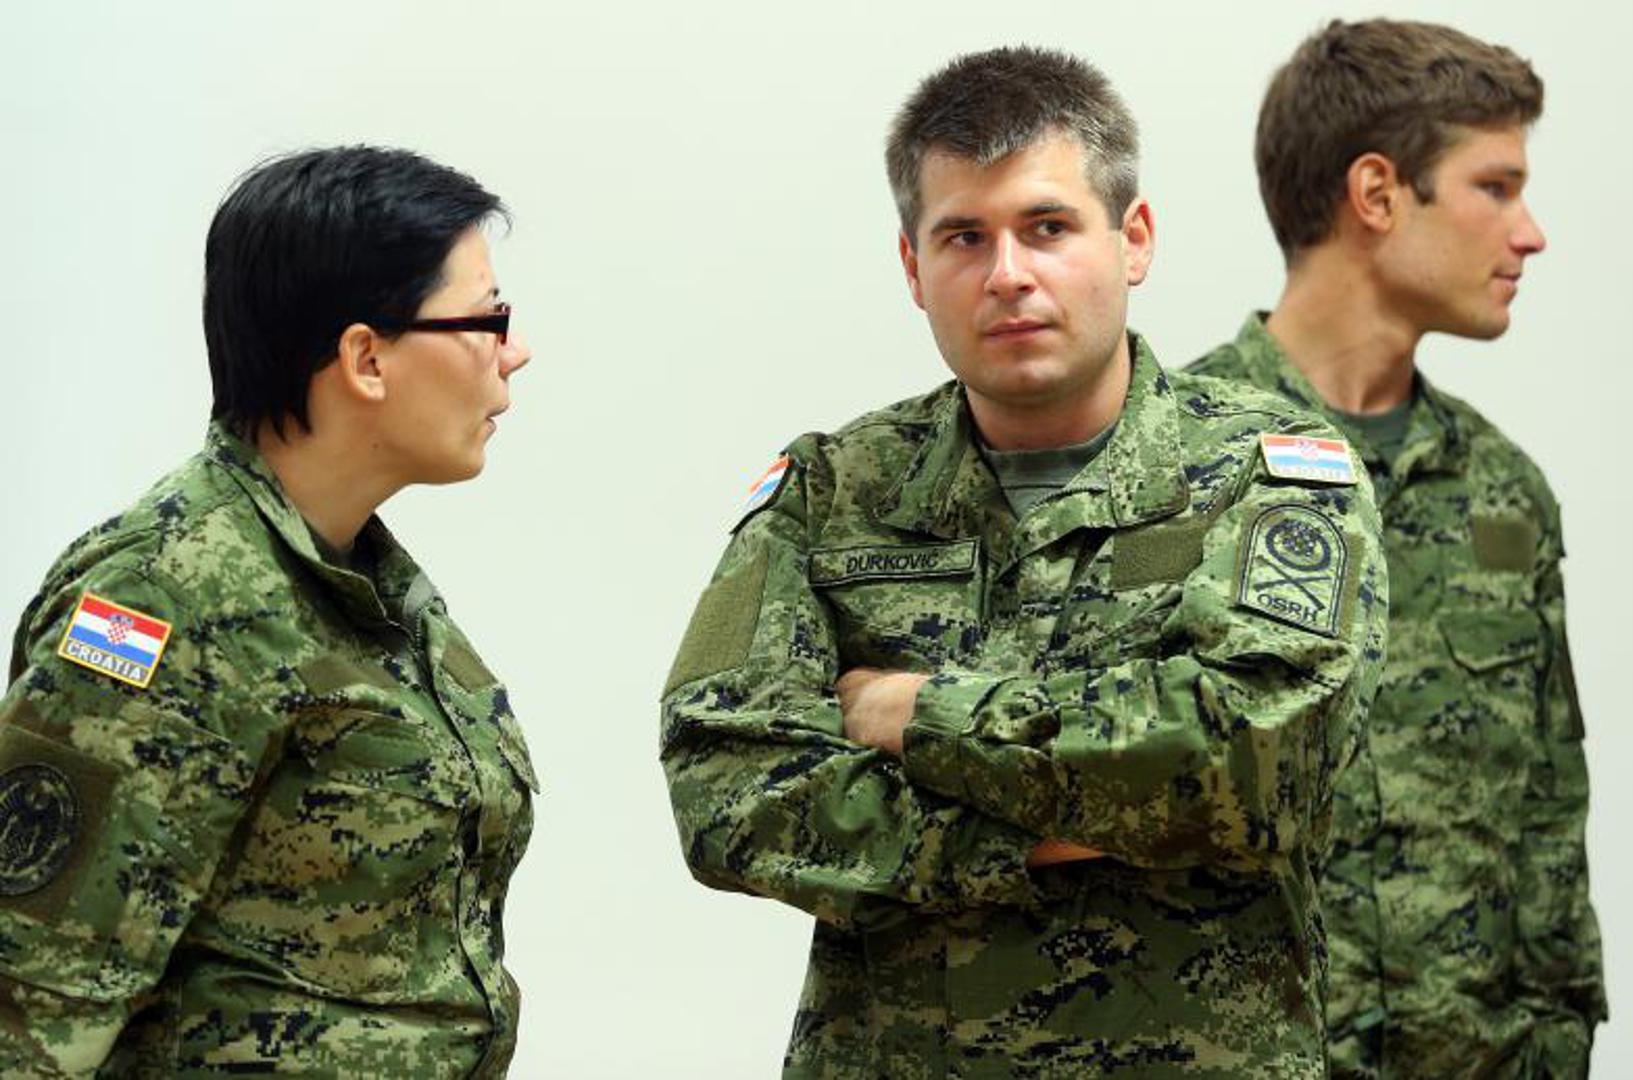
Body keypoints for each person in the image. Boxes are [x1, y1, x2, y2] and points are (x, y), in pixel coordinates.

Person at [661, 46, 1388, 1077]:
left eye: (1047, 227)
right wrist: (1029, 837)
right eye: (964, 237)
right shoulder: (831, 492)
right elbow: (723, 789)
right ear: (913, 269)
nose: (1007, 274)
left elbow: (1263, 761)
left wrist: (918, 715)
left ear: (1133, 240)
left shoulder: (1268, 474)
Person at [0, 146, 536, 1076]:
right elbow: (30, 999)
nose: (513, 352)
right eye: (487, 319)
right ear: (366, 359)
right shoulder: (168, 600)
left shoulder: (368, 590)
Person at [1187, 19, 1605, 1077]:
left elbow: (1549, 816)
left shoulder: (1502, 491)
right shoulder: (1170, 465)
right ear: (1376, 194)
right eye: (1494, 187)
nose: (1529, 234)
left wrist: (1557, 1042)